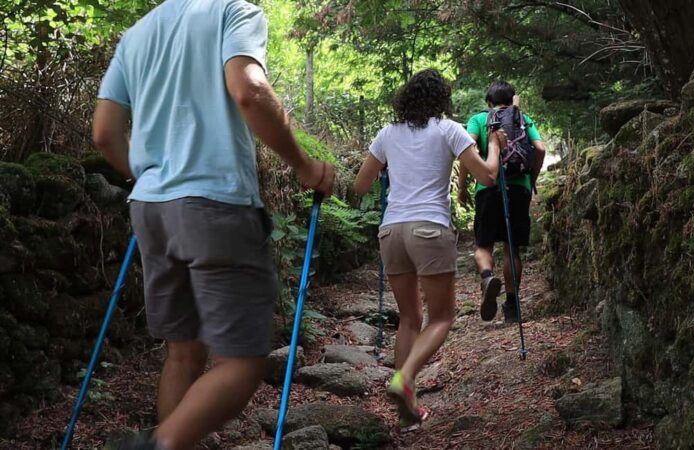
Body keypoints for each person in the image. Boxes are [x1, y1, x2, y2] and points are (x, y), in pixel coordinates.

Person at [92, 1, 336, 449]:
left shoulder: (137, 34)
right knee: (242, 359)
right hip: (216, 204)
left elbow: (105, 132)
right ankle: (158, 445)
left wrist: (152, 177)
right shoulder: (233, 11)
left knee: (183, 352)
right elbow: (249, 90)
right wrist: (303, 164)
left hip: (150, 209)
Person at [354, 69, 504, 427]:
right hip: (429, 229)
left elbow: (359, 186)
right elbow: (488, 177)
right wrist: (495, 146)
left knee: (408, 317)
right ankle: (404, 379)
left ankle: (407, 405)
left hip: (392, 231)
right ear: (442, 99)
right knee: (441, 317)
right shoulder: (448, 129)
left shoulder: (386, 134)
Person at [458, 81, 546, 323]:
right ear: (511, 99)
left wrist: (463, 185)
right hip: (519, 187)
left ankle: (487, 277)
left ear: (489, 102)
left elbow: (466, 147)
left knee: (483, 245)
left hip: (487, 186)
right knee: (511, 247)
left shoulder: (479, 119)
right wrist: (532, 178)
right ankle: (512, 305)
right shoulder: (522, 118)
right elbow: (539, 149)